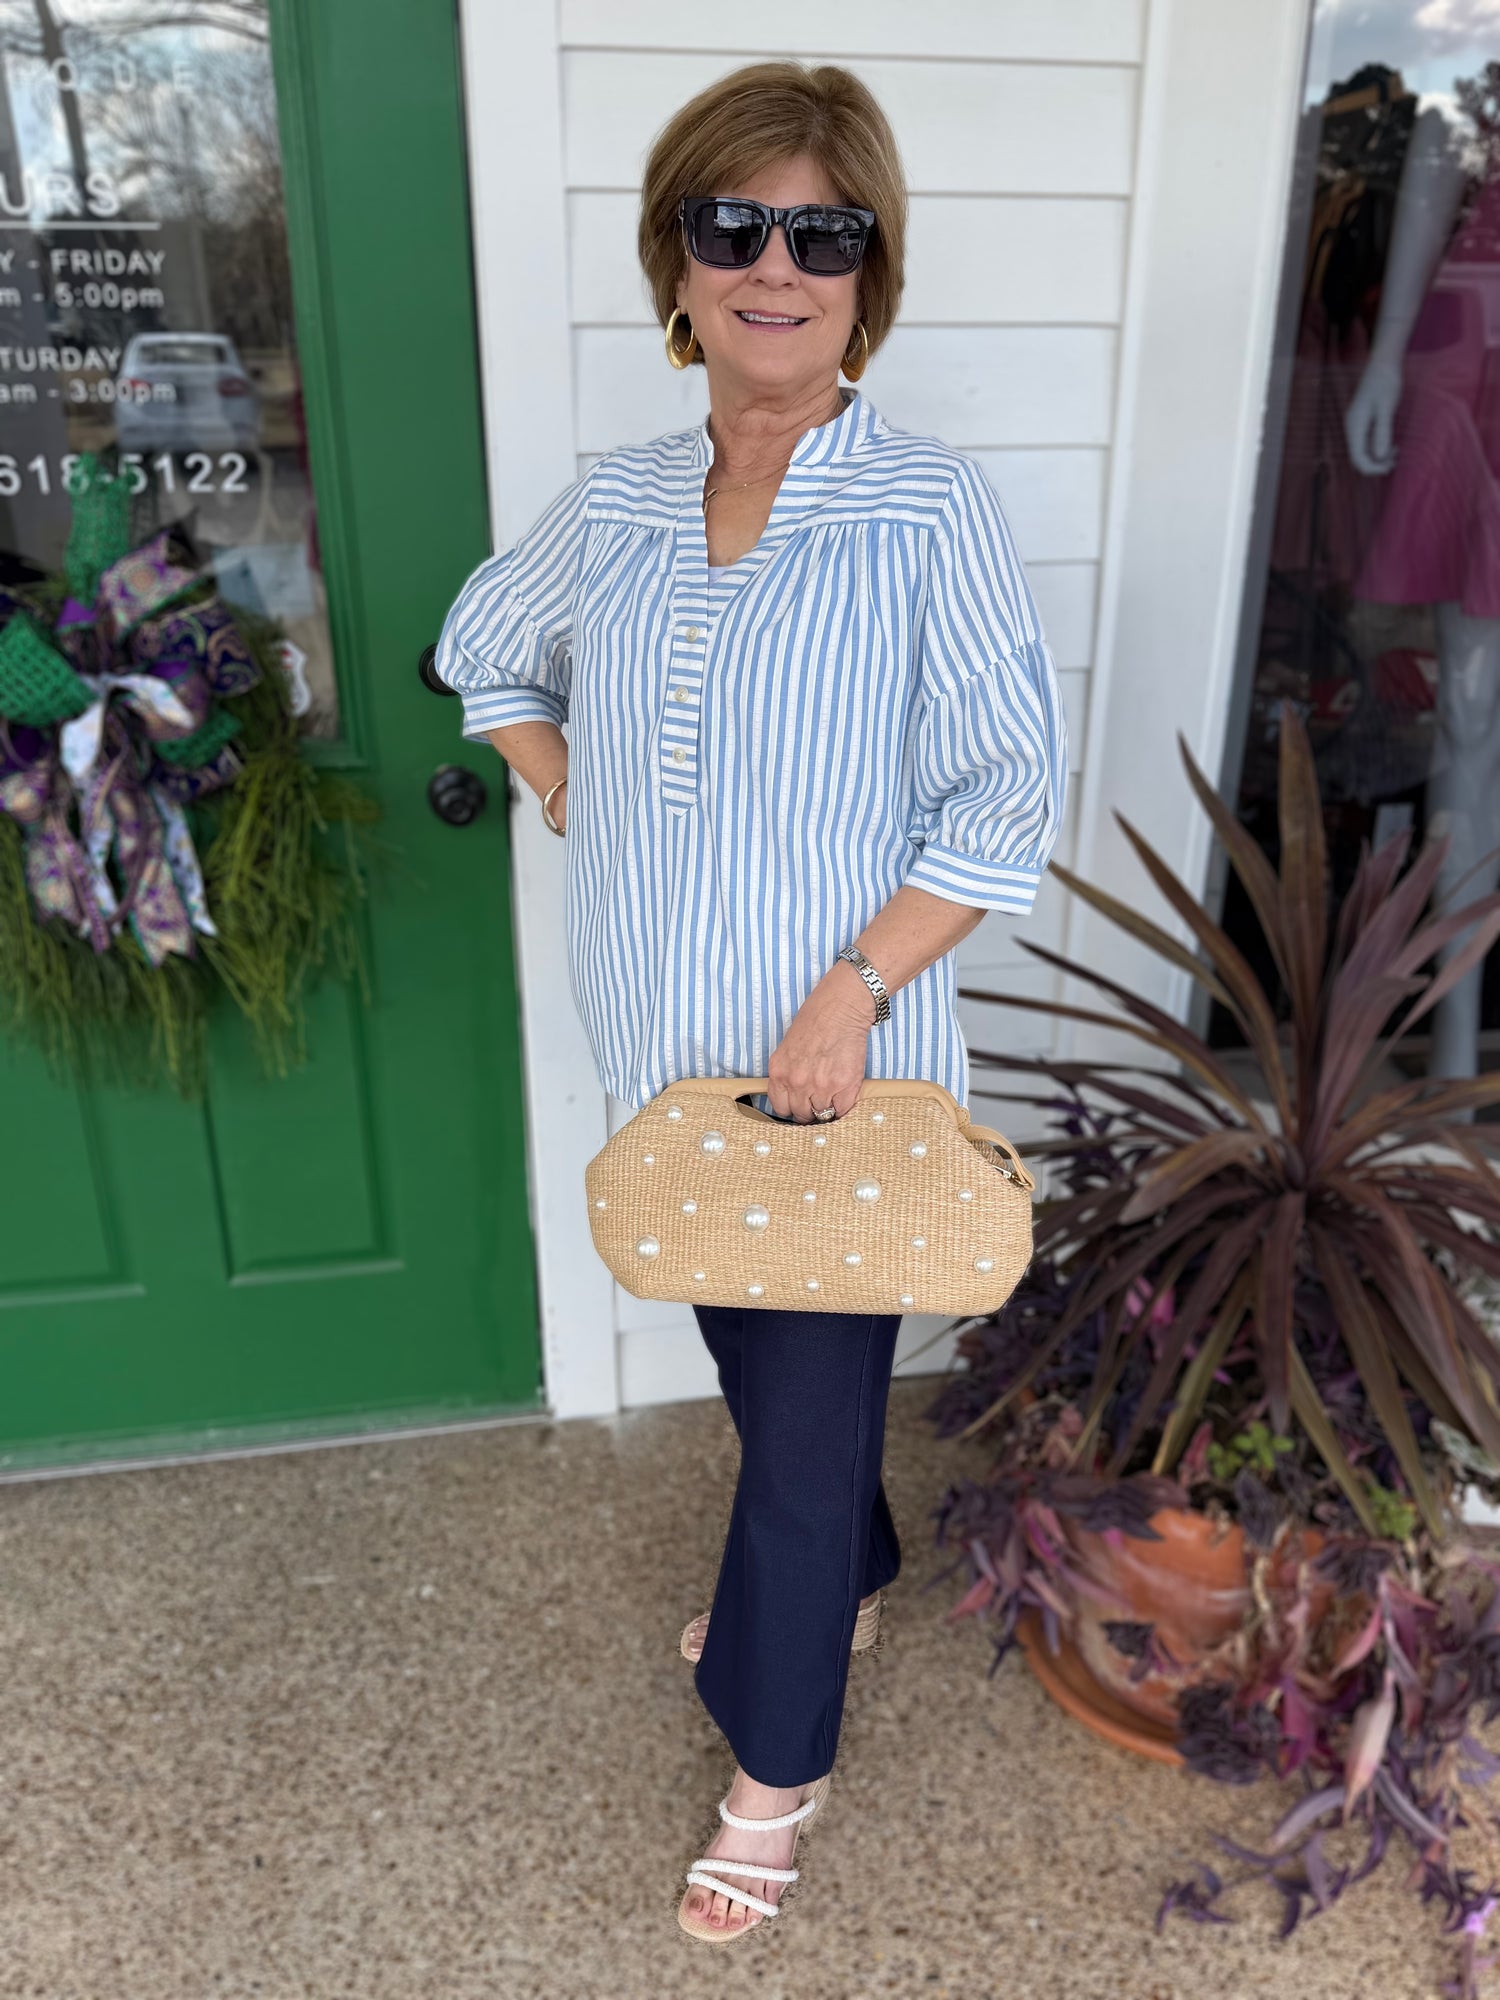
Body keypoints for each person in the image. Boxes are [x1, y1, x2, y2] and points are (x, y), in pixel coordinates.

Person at [432, 60, 1068, 1943]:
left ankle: (772, 1766)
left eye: (822, 233)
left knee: (791, 1444)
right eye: (736, 228)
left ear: (870, 274)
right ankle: (848, 1553)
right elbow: (482, 649)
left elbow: (1004, 792)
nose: (775, 265)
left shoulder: (926, 509)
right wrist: (568, 784)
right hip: (661, 1050)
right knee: (766, 1376)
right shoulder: (616, 500)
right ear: (679, 263)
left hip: (836, 1076)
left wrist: (854, 990)